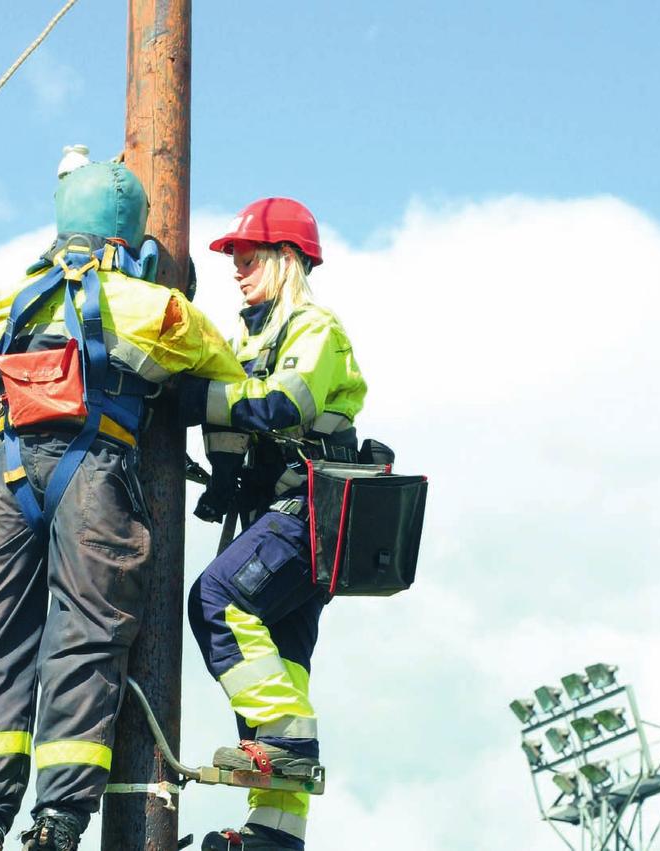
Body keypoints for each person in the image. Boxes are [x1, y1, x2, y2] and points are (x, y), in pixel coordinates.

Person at [0, 154, 246, 851]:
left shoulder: (0, 309)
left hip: (8, 481)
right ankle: (58, 820)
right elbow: (225, 379)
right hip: (93, 476)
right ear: (132, 236)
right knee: (85, 635)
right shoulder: (156, 309)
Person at [178, 198, 368, 851]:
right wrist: (225, 475)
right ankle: (275, 831)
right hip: (289, 512)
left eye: (248, 256)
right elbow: (234, 410)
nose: (237, 269)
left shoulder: (316, 328)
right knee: (280, 660)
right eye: (234, 258)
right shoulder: (253, 335)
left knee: (218, 598)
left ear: (287, 260)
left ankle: (282, 747)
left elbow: (285, 401)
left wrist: (192, 397)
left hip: (311, 509)